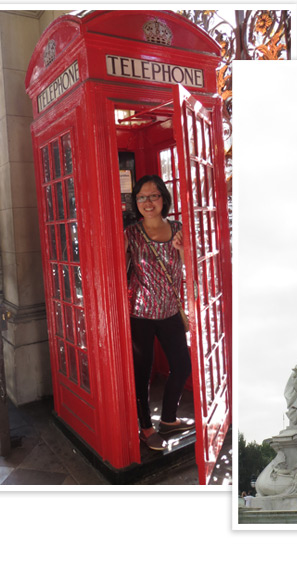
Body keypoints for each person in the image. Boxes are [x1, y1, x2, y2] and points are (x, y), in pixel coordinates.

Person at [124, 175, 194, 452]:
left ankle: (167, 419)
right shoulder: (130, 233)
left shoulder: (178, 229)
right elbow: (118, 271)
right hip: (140, 313)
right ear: (136, 202)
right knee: (142, 374)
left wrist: (183, 250)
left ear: (163, 198)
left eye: (153, 196)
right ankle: (146, 427)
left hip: (169, 311)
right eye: (141, 197)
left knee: (183, 366)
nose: (148, 202)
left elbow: (190, 268)